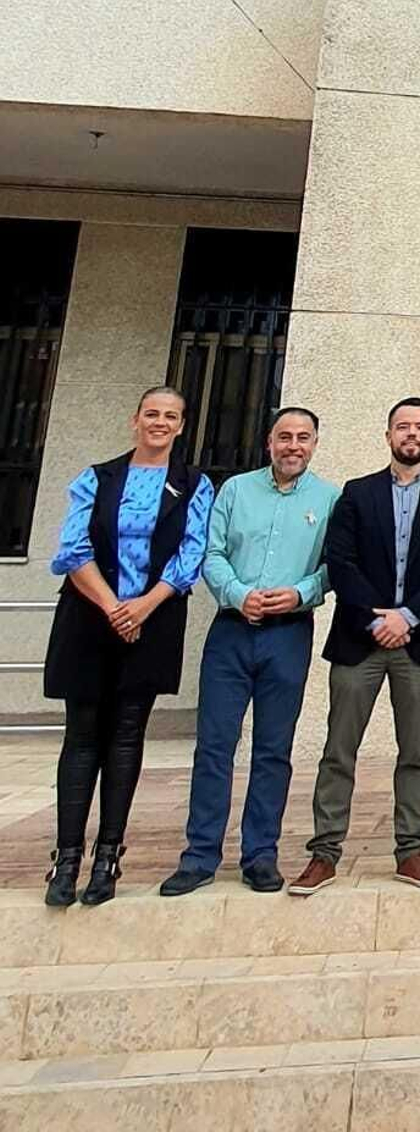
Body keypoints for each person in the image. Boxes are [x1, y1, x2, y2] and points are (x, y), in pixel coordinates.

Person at [290, 399, 420, 896]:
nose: (411, 434)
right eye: (402, 426)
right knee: (338, 750)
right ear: (388, 434)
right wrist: (378, 618)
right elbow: (340, 561)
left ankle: (412, 850)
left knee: (416, 751)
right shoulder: (357, 493)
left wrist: (408, 616)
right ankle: (324, 854)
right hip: (360, 639)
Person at [43, 386, 213, 909]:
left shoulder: (192, 484)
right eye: (152, 414)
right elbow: (73, 548)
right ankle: (66, 857)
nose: (160, 423)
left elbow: (191, 554)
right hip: (91, 617)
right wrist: (114, 604)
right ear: (134, 419)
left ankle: (107, 856)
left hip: (153, 621)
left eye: (171, 416)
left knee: (125, 737)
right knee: (82, 736)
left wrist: (142, 607)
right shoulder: (97, 478)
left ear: (182, 426)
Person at [160, 407, 336, 897]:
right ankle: (199, 855)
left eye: (303, 437)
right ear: (269, 442)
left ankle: (260, 854)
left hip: (289, 633)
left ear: (315, 443)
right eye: (284, 437)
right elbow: (210, 554)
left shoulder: (328, 498)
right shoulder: (235, 490)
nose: (293, 446)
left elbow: (333, 565)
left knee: (273, 750)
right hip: (232, 631)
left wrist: (301, 593)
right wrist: (238, 593)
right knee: (214, 746)